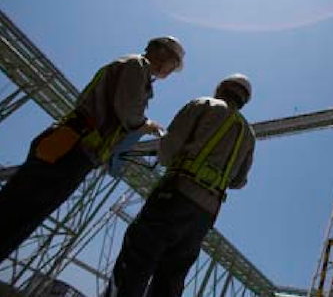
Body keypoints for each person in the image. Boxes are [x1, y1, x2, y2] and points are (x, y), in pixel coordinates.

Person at [0, 36, 185, 261]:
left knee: (20, 212)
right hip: (73, 148)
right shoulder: (137, 66)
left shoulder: (134, 68)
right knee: (18, 215)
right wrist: (146, 125)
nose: (170, 71)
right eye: (173, 65)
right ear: (163, 56)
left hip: (74, 145)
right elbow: (127, 112)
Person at [104, 74, 256, 297]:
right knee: (171, 278)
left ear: (222, 87)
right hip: (204, 215)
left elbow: (169, 148)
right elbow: (239, 181)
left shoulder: (204, 105)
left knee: (136, 262)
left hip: (175, 195)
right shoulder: (249, 135)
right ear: (244, 100)